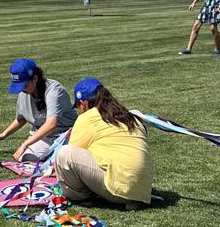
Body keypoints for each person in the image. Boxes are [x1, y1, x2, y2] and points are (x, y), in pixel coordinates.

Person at [53, 78, 153, 209]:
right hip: (143, 190)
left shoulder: (87, 117)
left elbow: (72, 152)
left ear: (83, 104)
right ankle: (130, 196)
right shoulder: (130, 115)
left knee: (65, 154)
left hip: (119, 191)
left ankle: (81, 196)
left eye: (78, 106)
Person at [0, 58, 77, 164]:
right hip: (44, 137)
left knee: (64, 160)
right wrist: (3, 134)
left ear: (35, 78)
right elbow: (21, 119)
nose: (22, 89)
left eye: (24, 85)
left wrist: (25, 144)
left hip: (66, 133)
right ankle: (50, 155)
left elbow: (51, 124)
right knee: (25, 158)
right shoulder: (24, 93)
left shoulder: (54, 91)